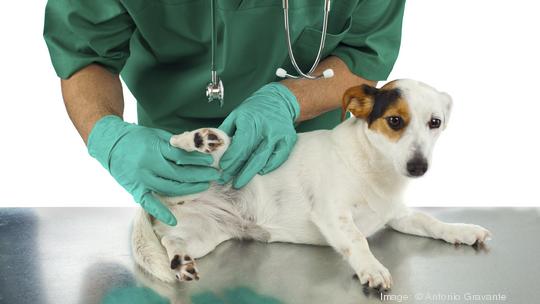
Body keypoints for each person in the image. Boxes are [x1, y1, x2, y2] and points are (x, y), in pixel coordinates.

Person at [43, 0, 405, 226]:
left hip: (306, 159)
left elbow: (366, 52)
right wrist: (108, 135)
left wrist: (287, 101)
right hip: (179, 163)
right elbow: (84, 52)